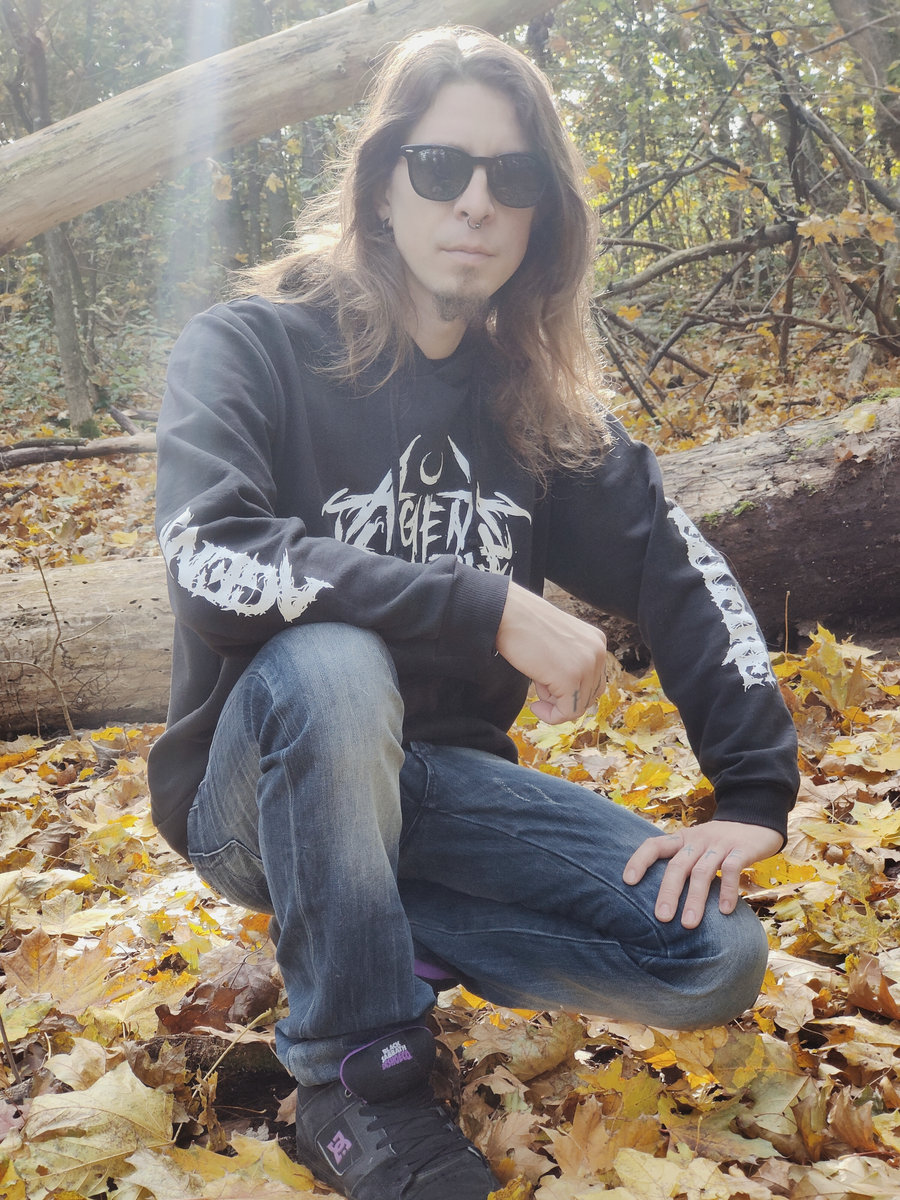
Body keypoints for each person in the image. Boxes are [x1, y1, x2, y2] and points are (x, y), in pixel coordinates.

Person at [148, 24, 799, 1200]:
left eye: (515, 177)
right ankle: (354, 1081)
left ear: (544, 214)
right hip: (255, 789)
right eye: (442, 166)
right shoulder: (251, 347)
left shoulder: (531, 403)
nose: (476, 203)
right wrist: (482, 605)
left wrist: (755, 792)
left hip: (438, 790)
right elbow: (211, 557)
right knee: (335, 662)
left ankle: (373, 935)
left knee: (714, 955)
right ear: (383, 184)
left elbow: (680, 567)